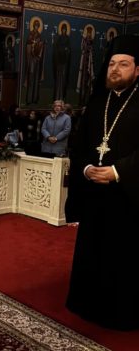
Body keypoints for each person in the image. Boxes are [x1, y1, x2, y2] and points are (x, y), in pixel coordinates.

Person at [65, 35, 139, 330]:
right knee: (94, 252)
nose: (115, 69)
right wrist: (85, 169)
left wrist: (118, 172)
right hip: (96, 197)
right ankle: (89, 304)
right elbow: (79, 145)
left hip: (129, 198)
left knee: (123, 257)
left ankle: (121, 312)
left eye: (123, 64)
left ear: (137, 70)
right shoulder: (97, 103)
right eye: (111, 64)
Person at [24, 18, 45, 105]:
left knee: (36, 79)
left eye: (37, 26)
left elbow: (41, 46)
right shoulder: (30, 34)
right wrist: (33, 44)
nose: (36, 27)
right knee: (31, 79)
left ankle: (35, 99)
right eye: (35, 25)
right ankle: (29, 99)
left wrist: (41, 44)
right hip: (31, 60)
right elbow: (28, 45)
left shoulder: (39, 35)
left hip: (37, 60)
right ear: (33, 26)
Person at [52, 22, 71, 101]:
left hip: (64, 62)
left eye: (65, 29)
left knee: (63, 79)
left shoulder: (67, 38)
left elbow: (69, 50)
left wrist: (66, 50)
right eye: (63, 29)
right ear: (61, 30)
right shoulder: (58, 38)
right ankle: (57, 96)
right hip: (59, 62)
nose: (64, 30)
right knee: (58, 79)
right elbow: (55, 48)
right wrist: (61, 50)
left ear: (66, 30)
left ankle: (62, 95)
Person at [76, 25, 95, 106]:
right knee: (82, 83)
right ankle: (81, 101)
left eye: (90, 33)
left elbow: (90, 50)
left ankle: (86, 102)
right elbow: (83, 48)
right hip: (84, 65)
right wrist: (84, 40)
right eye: (88, 32)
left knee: (88, 83)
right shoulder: (84, 40)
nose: (89, 34)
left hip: (88, 65)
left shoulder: (91, 41)